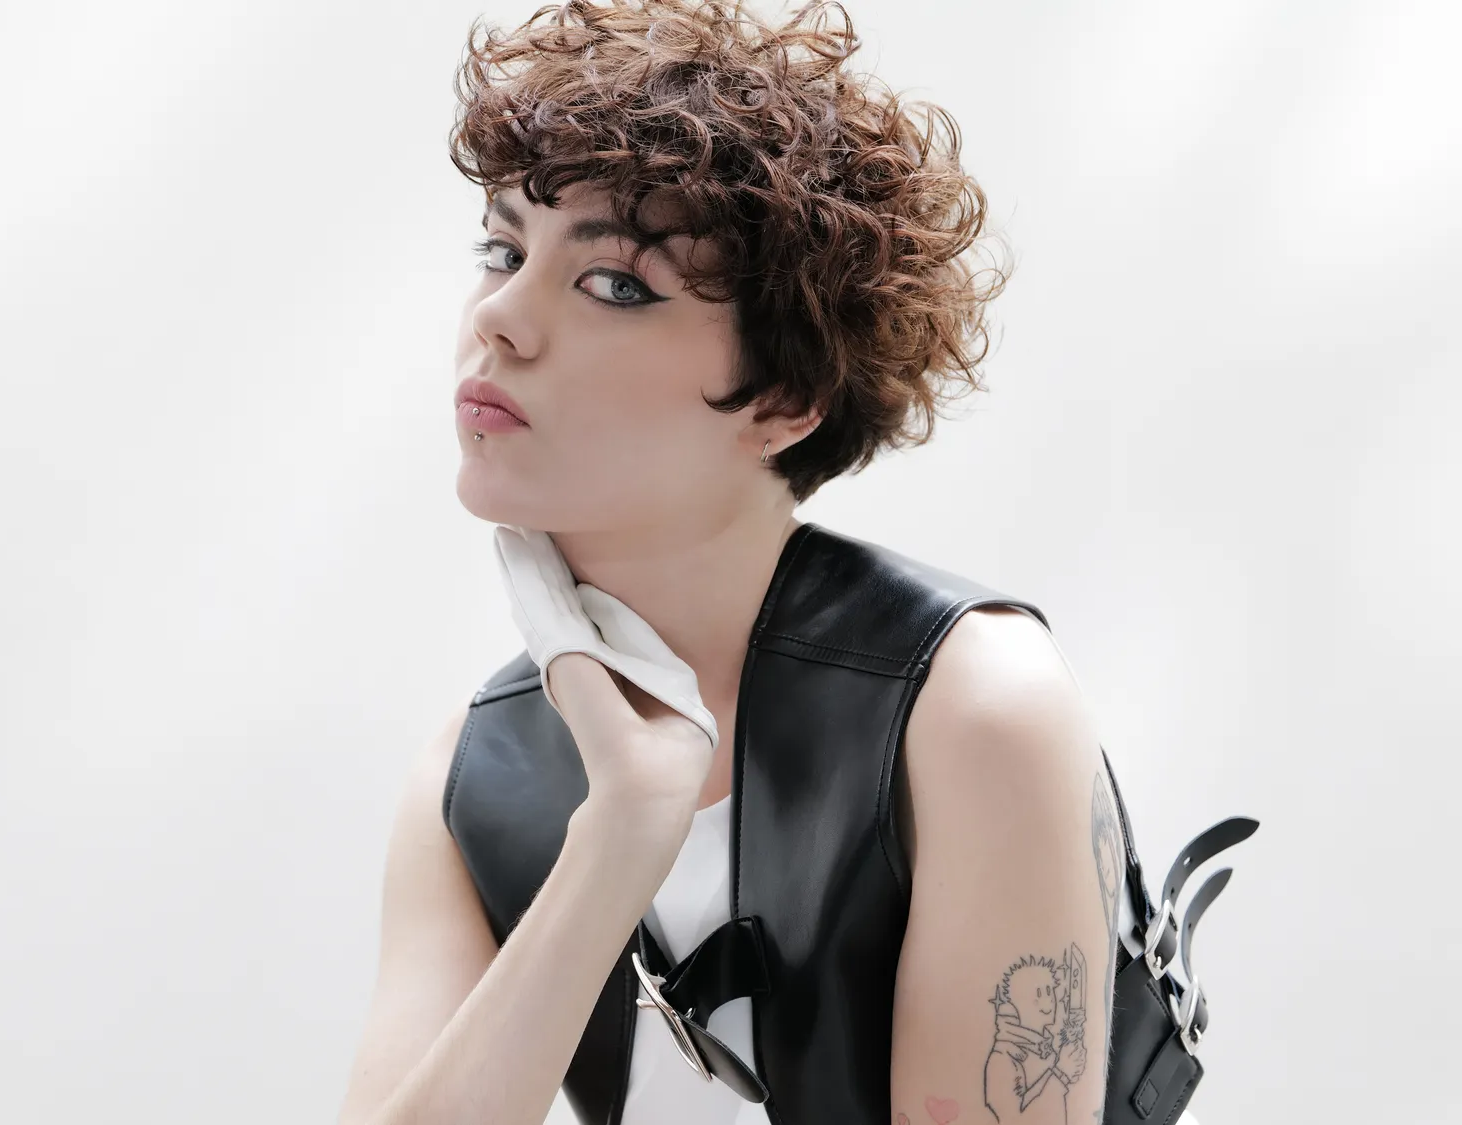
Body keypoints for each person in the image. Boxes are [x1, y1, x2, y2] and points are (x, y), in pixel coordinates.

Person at [334, 3, 1199, 1124]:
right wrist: (618, 837)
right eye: (503, 251)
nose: (498, 317)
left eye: (615, 284)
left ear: (784, 399)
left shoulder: (973, 706)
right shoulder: (475, 775)